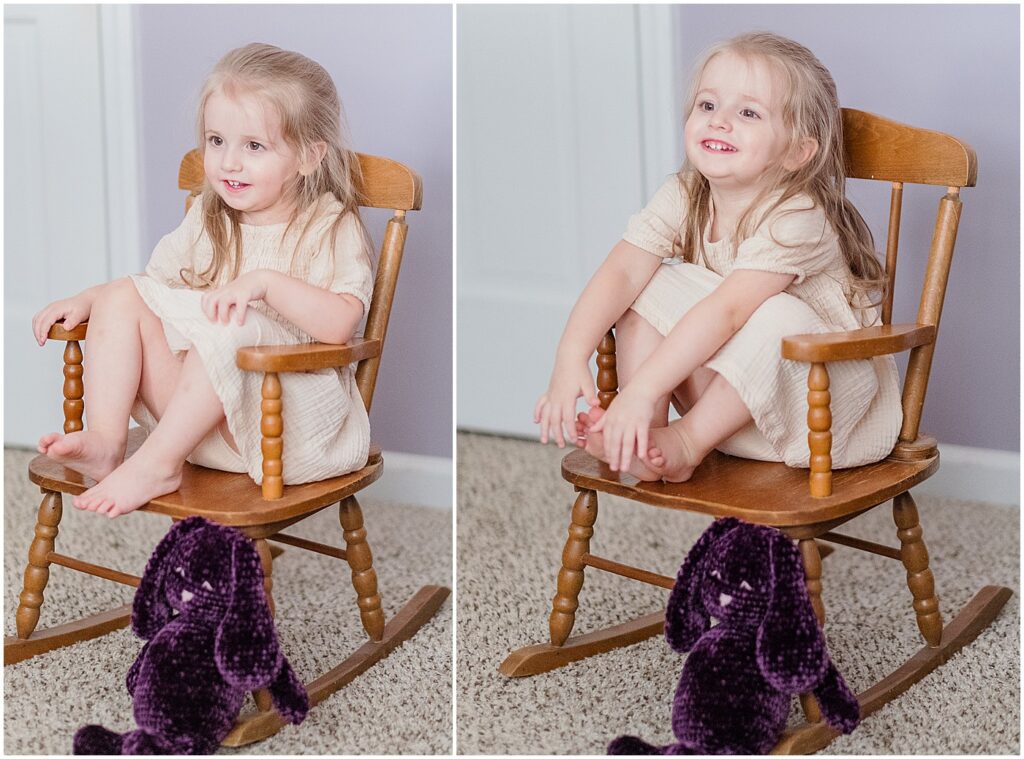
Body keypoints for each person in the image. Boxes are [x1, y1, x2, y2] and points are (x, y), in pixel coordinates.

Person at [534, 32, 901, 483]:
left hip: (816, 415)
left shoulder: (799, 215)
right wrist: (570, 355)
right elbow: (623, 271)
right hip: (729, 407)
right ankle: (643, 436)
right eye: (708, 105)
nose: (720, 121)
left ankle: (685, 443)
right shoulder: (685, 194)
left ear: (797, 151)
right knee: (646, 279)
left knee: (779, 314)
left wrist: (646, 388)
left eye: (748, 112)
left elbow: (727, 312)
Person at [32, 43, 375, 517]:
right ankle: (108, 441)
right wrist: (92, 299)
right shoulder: (211, 218)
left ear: (309, 157)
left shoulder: (330, 225)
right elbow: (152, 289)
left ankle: (156, 463)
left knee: (232, 322)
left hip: (282, 433)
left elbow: (340, 326)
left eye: (253, 146)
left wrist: (265, 283)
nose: (228, 162)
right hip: (198, 426)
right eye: (216, 141)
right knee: (124, 294)